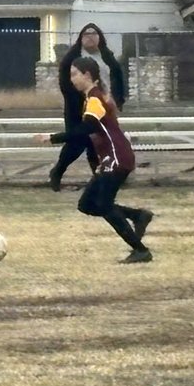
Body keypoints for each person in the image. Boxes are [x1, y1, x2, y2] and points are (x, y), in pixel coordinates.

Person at [37, 56, 153, 263]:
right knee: (87, 204)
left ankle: (141, 250)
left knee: (104, 205)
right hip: (110, 158)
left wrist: (53, 137)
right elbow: (95, 135)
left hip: (117, 158)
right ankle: (138, 216)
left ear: (87, 75)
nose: (71, 79)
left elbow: (86, 129)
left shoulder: (95, 99)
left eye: (74, 74)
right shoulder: (93, 98)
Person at [49, 23, 126, 191]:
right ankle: (57, 172)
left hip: (102, 105)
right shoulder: (73, 58)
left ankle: (100, 178)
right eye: (86, 34)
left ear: (100, 37)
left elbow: (118, 77)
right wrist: (79, 99)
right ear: (80, 38)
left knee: (99, 141)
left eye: (94, 33)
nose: (90, 37)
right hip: (77, 107)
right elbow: (65, 82)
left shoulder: (107, 57)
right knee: (76, 142)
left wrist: (117, 100)